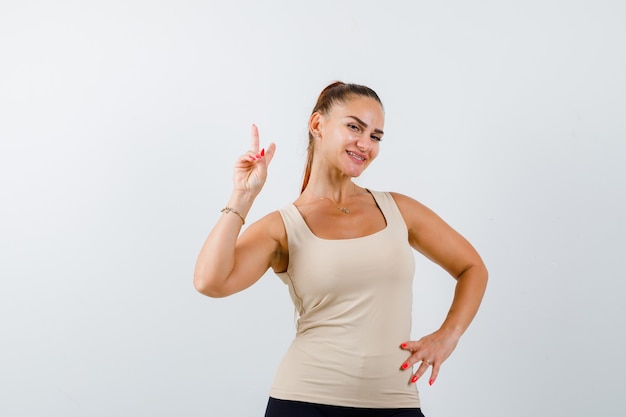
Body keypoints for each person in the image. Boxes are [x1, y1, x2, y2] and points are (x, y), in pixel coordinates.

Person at [193, 81, 488, 417]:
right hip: (304, 400)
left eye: (376, 136)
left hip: (393, 402)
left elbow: (472, 268)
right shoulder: (285, 226)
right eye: (354, 127)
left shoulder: (399, 210)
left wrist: (449, 336)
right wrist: (242, 197)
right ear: (317, 125)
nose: (365, 144)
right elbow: (209, 281)